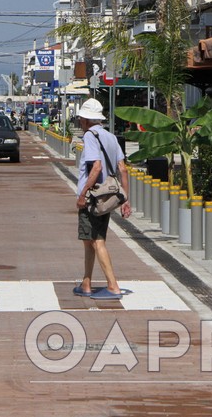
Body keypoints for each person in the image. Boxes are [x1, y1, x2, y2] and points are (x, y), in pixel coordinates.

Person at [73, 98, 131, 300]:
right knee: (89, 240)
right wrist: (125, 199)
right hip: (107, 197)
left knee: (97, 241)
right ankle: (86, 282)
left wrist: (82, 194)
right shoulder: (110, 137)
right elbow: (122, 168)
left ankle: (113, 286)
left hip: (92, 197)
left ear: (86, 119)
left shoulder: (90, 136)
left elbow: (96, 166)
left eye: (81, 118)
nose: (80, 121)